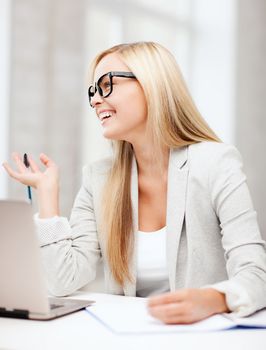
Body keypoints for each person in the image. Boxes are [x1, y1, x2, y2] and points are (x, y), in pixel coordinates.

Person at [3, 41, 266, 325]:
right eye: (92, 92)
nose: (95, 100)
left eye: (106, 85)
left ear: (152, 84)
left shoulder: (215, 162)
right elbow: (63, 281)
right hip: (129, 335)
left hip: (203, 335)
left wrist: (214, 299)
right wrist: (47, 197)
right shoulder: (98, 178)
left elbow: (256, 273)